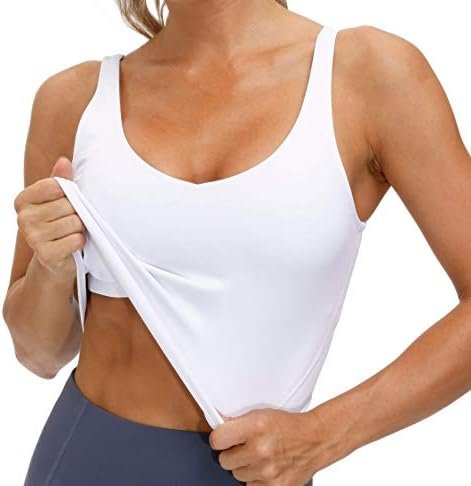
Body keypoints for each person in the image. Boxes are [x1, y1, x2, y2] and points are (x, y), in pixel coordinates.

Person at [3, 0, 470, 485]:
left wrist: (327, 434)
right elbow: (38, 353)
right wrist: (51, 269)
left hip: (259, 473)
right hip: (86, 459)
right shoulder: (74, 101)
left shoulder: (366, 76)